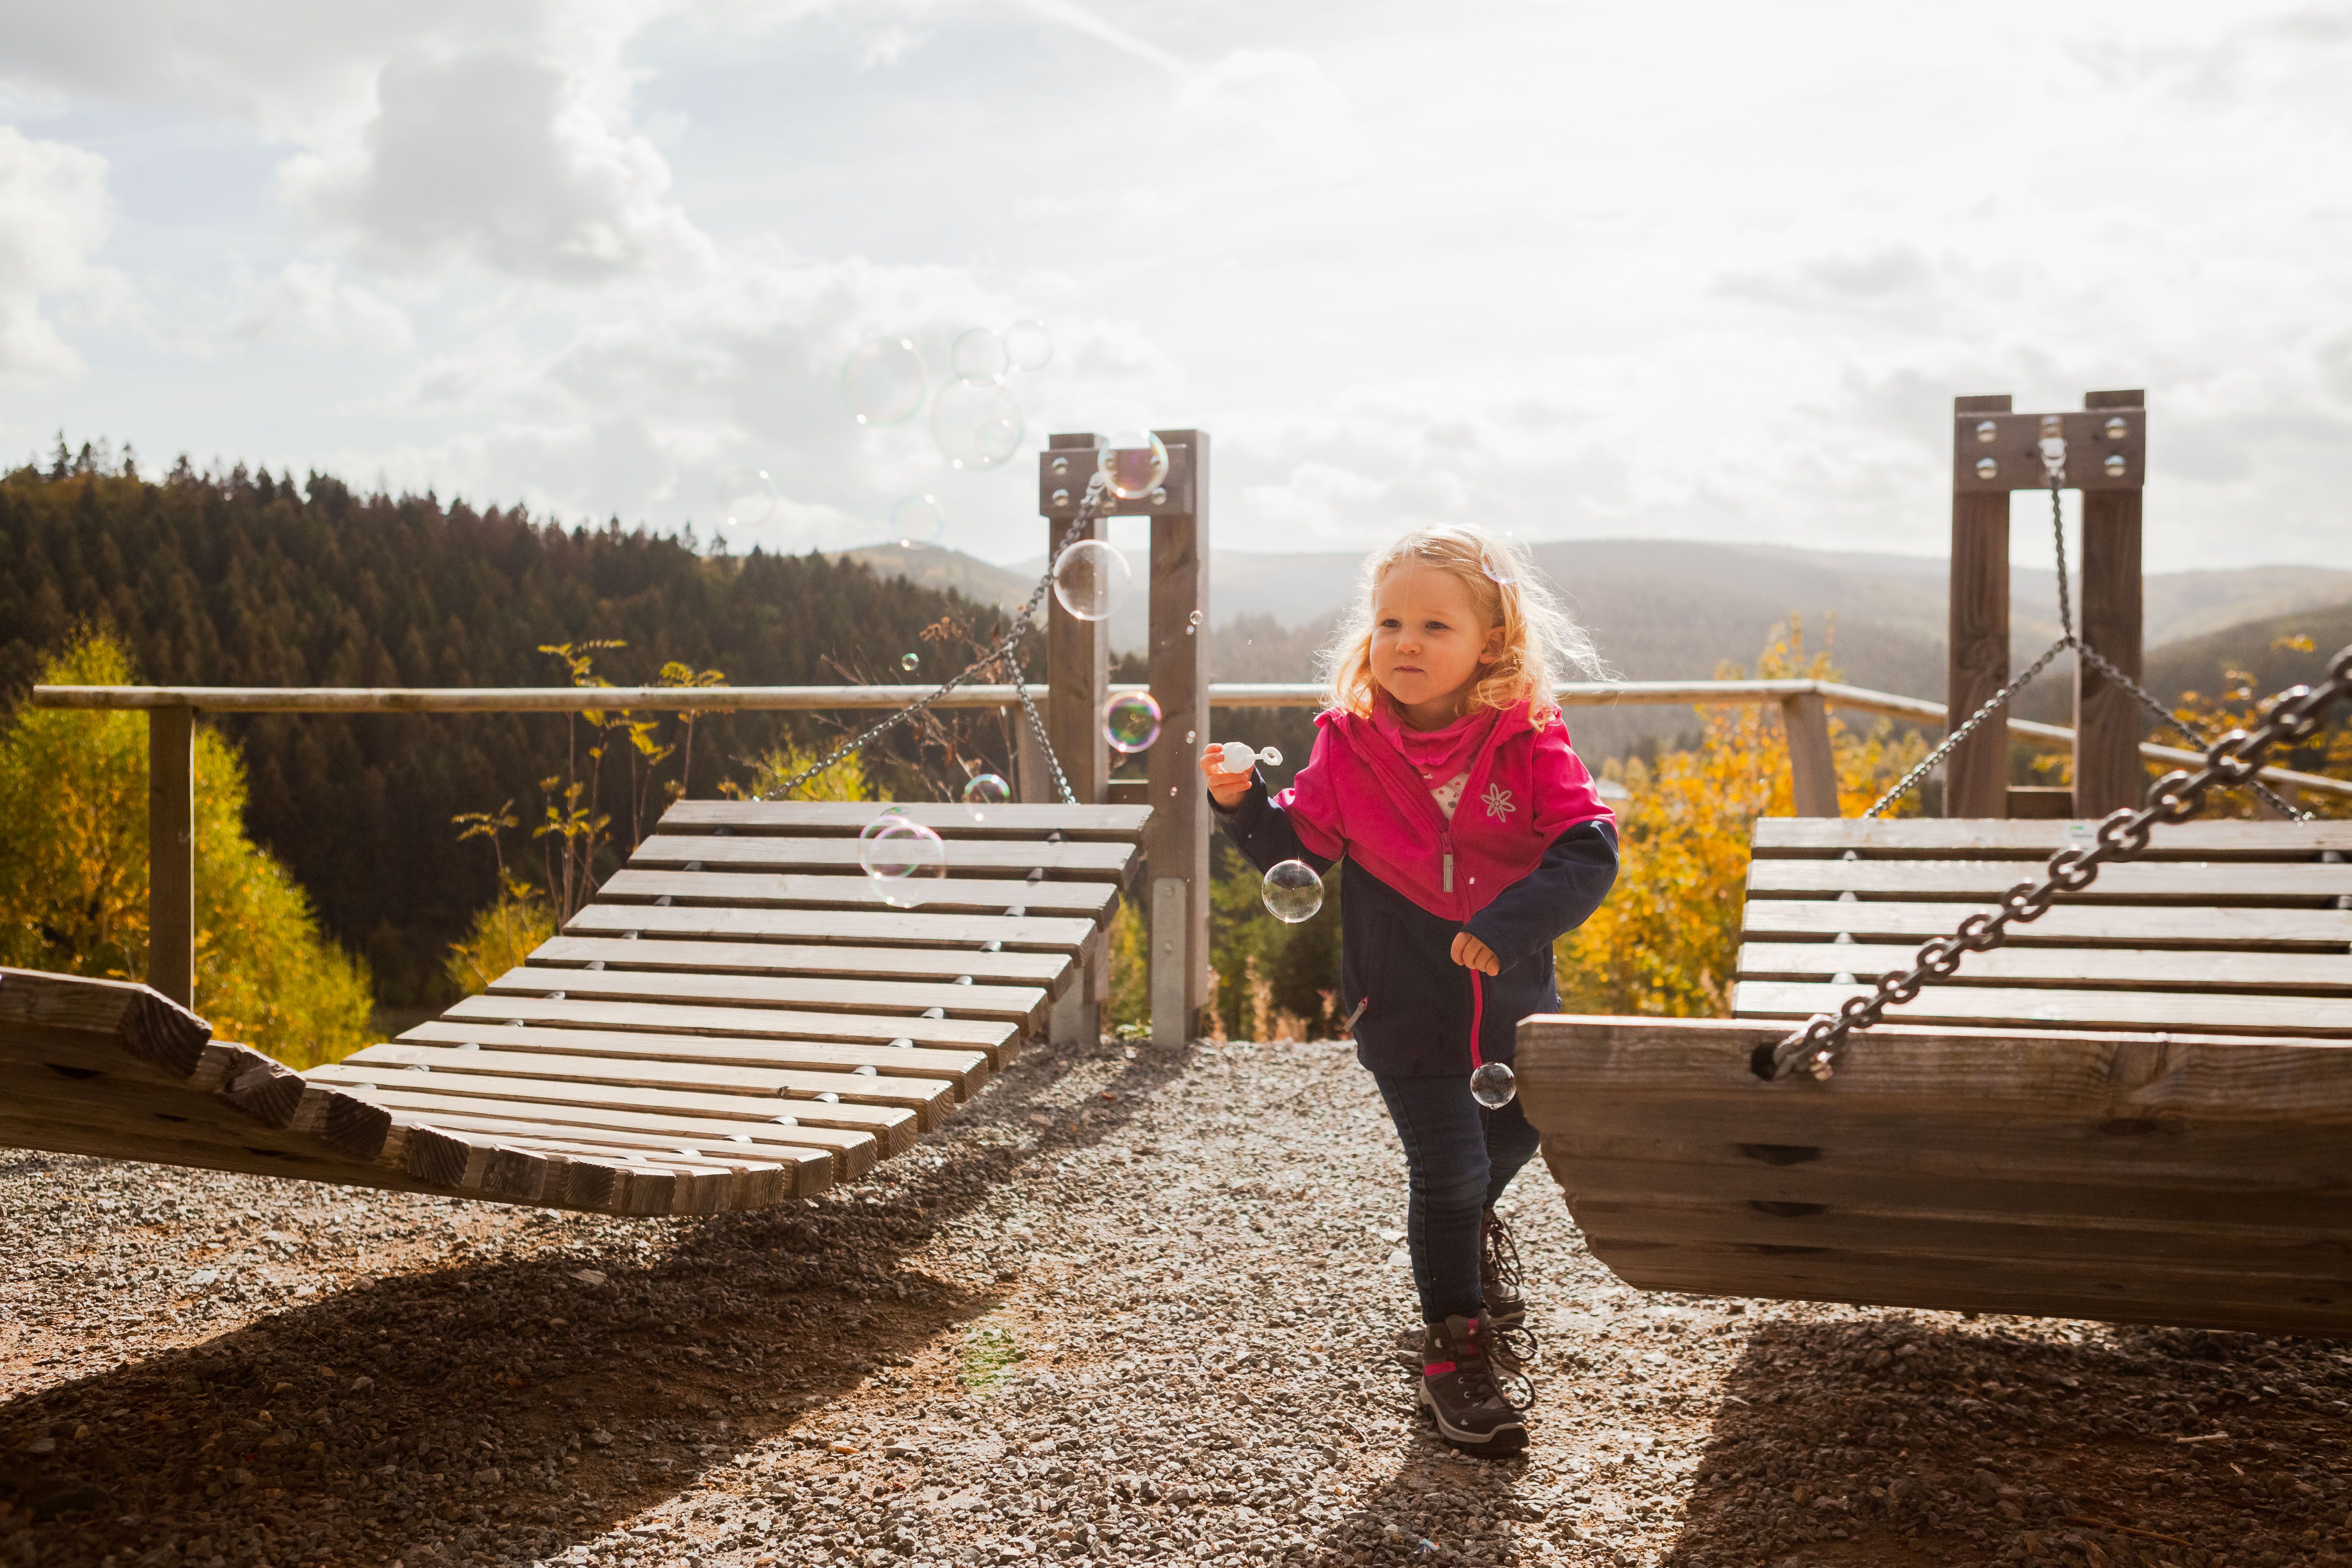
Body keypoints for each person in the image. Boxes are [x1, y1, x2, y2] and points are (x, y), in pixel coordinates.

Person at [1199, 523, 1618, 1452]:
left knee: (1516, 1133)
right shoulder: (1346, 747)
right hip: (1404, 1005)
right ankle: (1453, 1348)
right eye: (1390, 622)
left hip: (1511, 1000)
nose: (1407, 643)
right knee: (1452, 1167)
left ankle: (1464, 1238)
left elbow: (1589, 853)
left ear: (1492, 646)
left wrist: (1506, 931)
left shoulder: (1530, 737)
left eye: (1435, 624)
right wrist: (1240, 806)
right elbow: (1298, 849)